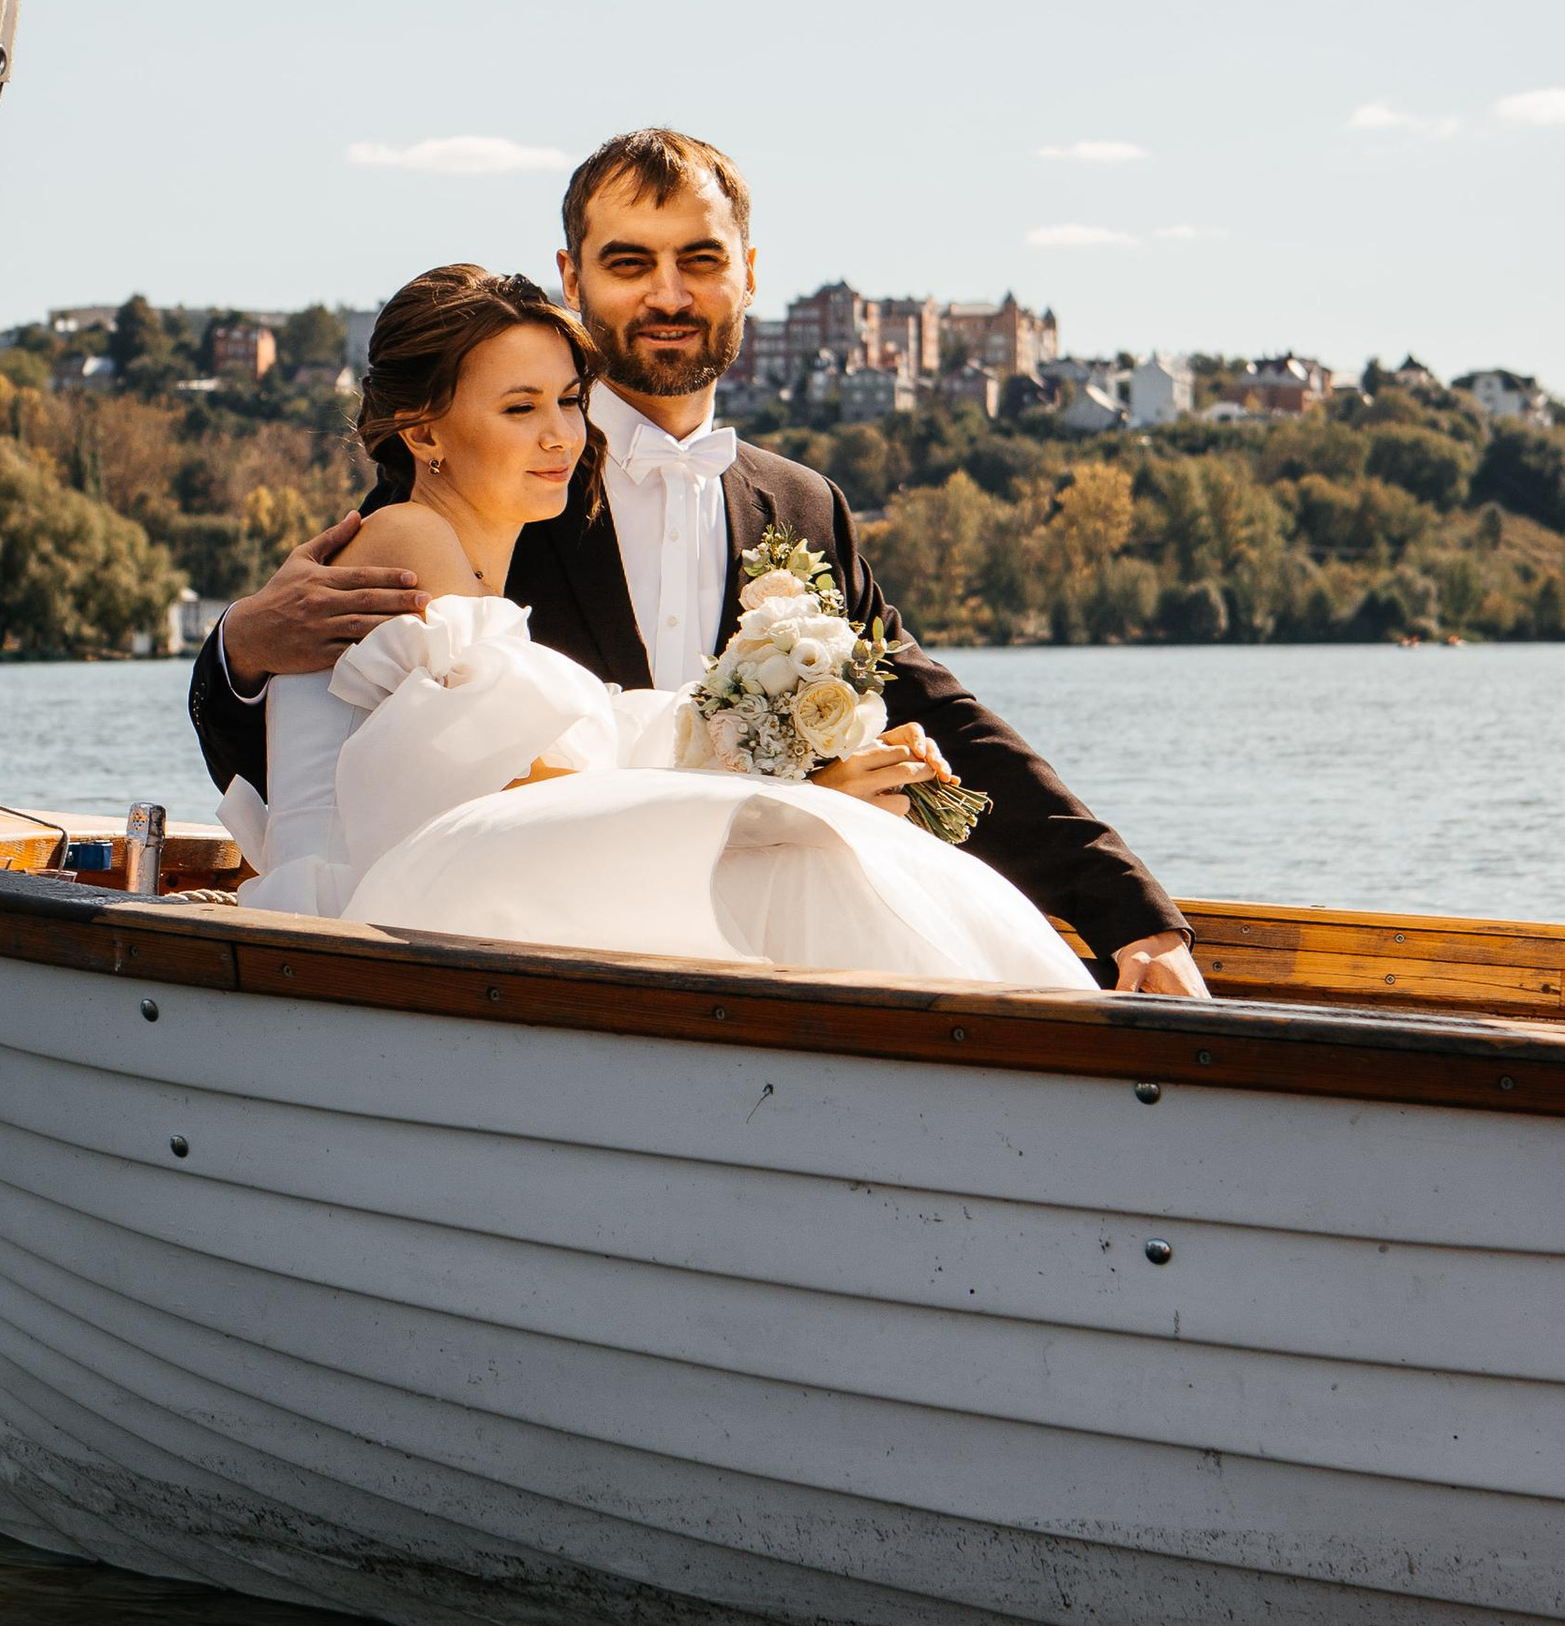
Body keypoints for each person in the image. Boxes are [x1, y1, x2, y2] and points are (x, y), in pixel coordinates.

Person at [193, 131, 1204, 992]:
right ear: (571, 278)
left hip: (734, 969)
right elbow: (337, 708)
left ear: (749, 274)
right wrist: (237, 650)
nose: (667, 294)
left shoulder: (801, 506)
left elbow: (935, 717)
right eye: (629, 262)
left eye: (700, 260)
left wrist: (1130, 915)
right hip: (538, 962)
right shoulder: (493, 474)